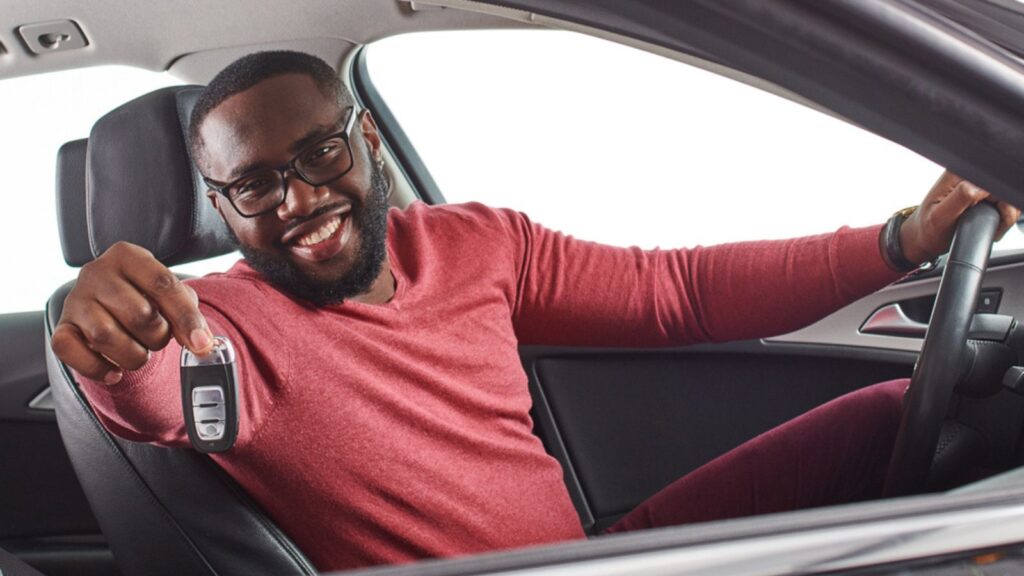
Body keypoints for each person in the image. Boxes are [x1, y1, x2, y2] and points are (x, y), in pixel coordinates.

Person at [50, 51, 1020, 571]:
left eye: (317, 156)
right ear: (220, 210)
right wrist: (114, 352)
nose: (297, 199)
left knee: (888, 417)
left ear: (370, 141)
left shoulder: (474, 243)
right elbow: (162, 398)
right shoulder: (221, 320)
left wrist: (900, 241)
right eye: (253, 187)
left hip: (593, 558)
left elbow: (677, 293)